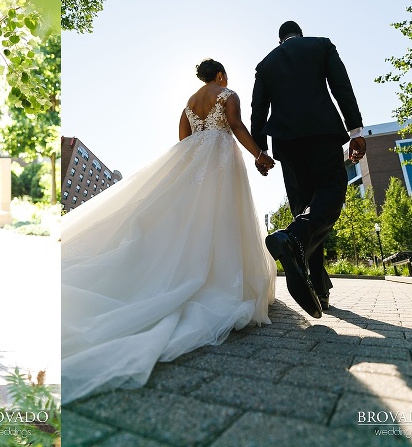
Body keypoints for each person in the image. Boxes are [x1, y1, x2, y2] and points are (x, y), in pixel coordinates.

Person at [61, 59, 277, 404]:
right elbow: (235, 126)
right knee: (222, 219)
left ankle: (191, 269)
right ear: (220, 75)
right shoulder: (228, 94)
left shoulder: (188, 106)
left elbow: (183, 146)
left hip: (195, 170)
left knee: (194, 222)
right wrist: (260, 155)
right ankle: (218, 277)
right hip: (222, 163)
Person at [251, 21, 366, 319]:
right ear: (300, 34)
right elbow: (341, 86)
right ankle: (293, 238)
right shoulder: (321, 45)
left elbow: (258, 109)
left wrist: (260, 151)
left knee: (307, 209)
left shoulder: (265, 64)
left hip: (287, 143)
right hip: (322, 134)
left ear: (280, 41)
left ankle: (319, 286)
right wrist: (355, 130)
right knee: (330, 192)